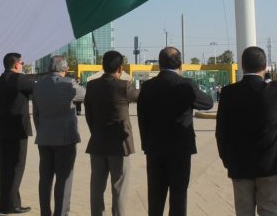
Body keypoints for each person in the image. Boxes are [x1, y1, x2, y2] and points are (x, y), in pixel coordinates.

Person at [216, 46, 277, 216]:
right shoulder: (275, 90)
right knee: (271, 211)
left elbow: (221, 132)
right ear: (265, 66)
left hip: (240, 165)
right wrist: (273, 81)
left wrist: (228, 160)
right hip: (272, 164)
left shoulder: (228, 93)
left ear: (242, 66)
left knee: (243, 212)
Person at [137, 46, 214, 216]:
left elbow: (141, 118)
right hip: (180, 150)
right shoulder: (186, 84)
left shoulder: (148, 86)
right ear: (180, 63)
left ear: (159, 64)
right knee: (178, 196)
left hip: (155, 149)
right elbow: (208, 103)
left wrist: (146, 144)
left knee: (155, 197)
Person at [84, 50, 139, 216]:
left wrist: (96, 131)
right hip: (120, 145)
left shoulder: (92, 86)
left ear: (102, 66)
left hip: (98, 142)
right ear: (120, 68)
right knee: (119, 188)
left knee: (96, 187)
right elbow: (140, 97)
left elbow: (88, 115)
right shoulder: (123, 86)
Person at [33, 55, 86, 216]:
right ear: (64, 69)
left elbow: (36, 114)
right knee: (64, 179)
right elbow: (86, 95)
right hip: (65, 138)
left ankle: (45, 212)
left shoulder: (38, 86)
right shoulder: (69, 84)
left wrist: (41, 130)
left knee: (45, 179)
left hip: (44, 137)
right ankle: (61, 213)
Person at [0, 53, 35, 214]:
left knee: (4, 168)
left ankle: (7, 203)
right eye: (22, 63)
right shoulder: (20, 79)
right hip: (18, 129)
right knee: (17, 168)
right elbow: (37, 90)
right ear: (17, 65)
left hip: (2, 128)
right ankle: (11, 205)